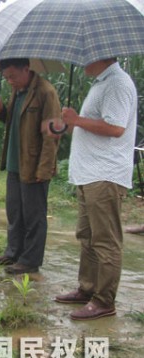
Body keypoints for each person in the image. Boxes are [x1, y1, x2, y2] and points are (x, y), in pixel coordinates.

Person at [45, 58, 138, 321]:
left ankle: (104, 300)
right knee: (87, 236)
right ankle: (87, 289)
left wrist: (78, 120)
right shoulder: (101, 83)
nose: (81, 60)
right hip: (88, 175)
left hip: (105, 175)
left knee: (106, 241)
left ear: (102, 55)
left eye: (86, 56)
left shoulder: (117, 84)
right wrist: (73, 122)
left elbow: (116, 128)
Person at [0, 58, 62, 275]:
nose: (10, 81)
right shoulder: (17, 91)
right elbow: (18, 123)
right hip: (15, 162)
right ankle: (13, 252)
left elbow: (52, 136)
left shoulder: (45, 93)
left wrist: (45, 168)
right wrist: (1, 113)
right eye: (6, 78)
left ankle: (30, 260)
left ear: (27, 69)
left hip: (34, 165)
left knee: (34, 216)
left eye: (13, 76)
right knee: (15, 211)